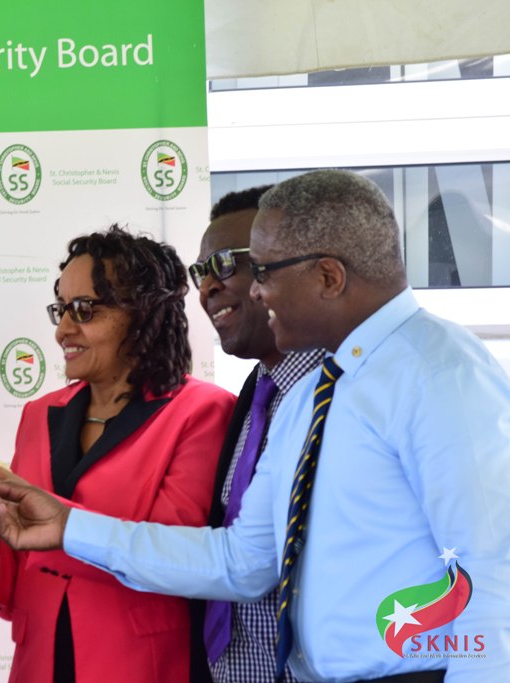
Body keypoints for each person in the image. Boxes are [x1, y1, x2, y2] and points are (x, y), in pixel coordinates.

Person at [0, 170, 510, 683]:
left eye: (264, 272)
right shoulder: (312, 396)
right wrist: (69, 526)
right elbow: (241, 562)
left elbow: (492, 570)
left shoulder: (439, 371)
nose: (253, 292)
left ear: (328, 276)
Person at [0, 226, 236, 683]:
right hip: (38, 666)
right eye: (61, 309)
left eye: (84, 309)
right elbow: (22, 583)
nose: (64, 329)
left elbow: (173, 559)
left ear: (141, 313)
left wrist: (57, 531)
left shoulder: (202, 412)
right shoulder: (38, 414)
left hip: (141, 668)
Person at [191, 186, 323, 683]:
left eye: (225, 263)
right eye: (201, 271)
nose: (207, 287)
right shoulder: (252, 396)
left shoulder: (346, 395)